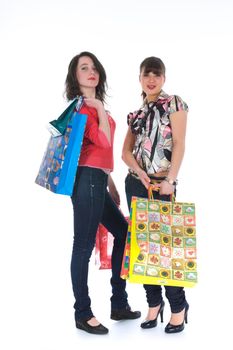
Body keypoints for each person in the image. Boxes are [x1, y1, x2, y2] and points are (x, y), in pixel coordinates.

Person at [65, 52, 141, 335]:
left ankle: (118, 303)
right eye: (84, 68)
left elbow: (102, 151)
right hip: (86, 181)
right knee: (82, 246)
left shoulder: (94, 107)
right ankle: (82, 313)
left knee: (122, 233)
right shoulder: (82, 109)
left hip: (98, 180)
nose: (91, 71)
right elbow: (104, 139)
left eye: (94, 67)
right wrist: (96, 106)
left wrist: (110, 182)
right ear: (75, 77)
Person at [122, 56, 189, 334]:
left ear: (163, 78)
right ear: (139, 78)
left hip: (163, 185)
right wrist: (140, 171)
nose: (151, 79)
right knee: (143, 250)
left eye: (156, 75)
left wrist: (170, 180)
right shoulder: (137, 114)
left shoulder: (174, 103)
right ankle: (153, 303)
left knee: (166, 248)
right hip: (136, 184)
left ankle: (178, 307)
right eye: (146, 75)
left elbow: (179, 142)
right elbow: (125, 153)